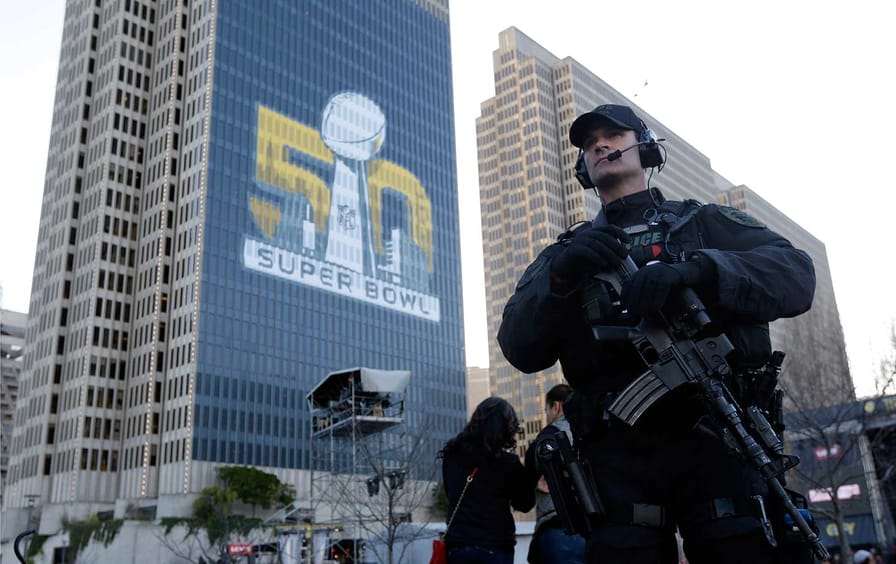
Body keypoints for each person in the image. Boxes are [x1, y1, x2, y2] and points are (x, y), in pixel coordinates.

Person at [497, 104, 816, 563]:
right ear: (582, 167)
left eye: (612, 136)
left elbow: (795, 274)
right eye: (590, 144)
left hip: (717, 434)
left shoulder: (704, 224)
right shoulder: (566, 254)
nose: (601, 145)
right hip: (618, 454)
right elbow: (519, 346)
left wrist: (695, 270)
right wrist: (562, 279)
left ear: (644, 146)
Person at [440, 396, 535, 564]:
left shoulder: (452, 456)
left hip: (459, 545)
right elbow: (525, 504)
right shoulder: (508, 463)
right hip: (495, 545)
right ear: (506, 428)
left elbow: (450, 493)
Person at [524, 383, 587, 564]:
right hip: (596, 529)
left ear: (556, 406)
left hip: (558, 527)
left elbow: (528, 477)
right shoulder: (591, 431)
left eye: (547, 410)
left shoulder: (549, 436)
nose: (547, 416)